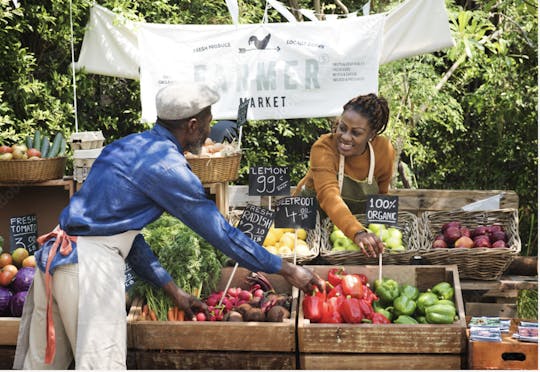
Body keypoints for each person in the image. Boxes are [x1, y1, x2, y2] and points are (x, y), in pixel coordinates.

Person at [14, 82, 325, 370]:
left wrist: (173, 291)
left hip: (54, 262)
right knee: (100, 365)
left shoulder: (124, 147)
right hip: (88, 271)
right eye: (207, 121)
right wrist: (288, 270)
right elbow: (222, 235)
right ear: (191, 125)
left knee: (43, 365)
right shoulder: (168, 167)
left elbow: (126, 238)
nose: (209, 130)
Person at [295, 93, 396, 258]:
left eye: (356, 133)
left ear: (372, 134)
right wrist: (357, 232)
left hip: (347, 233)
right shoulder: (323, 147)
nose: (345, 137)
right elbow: (329, 195)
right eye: (342, 128)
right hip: (305, 225)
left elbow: (382, 196)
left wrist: (382, 234)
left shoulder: (384, 150)